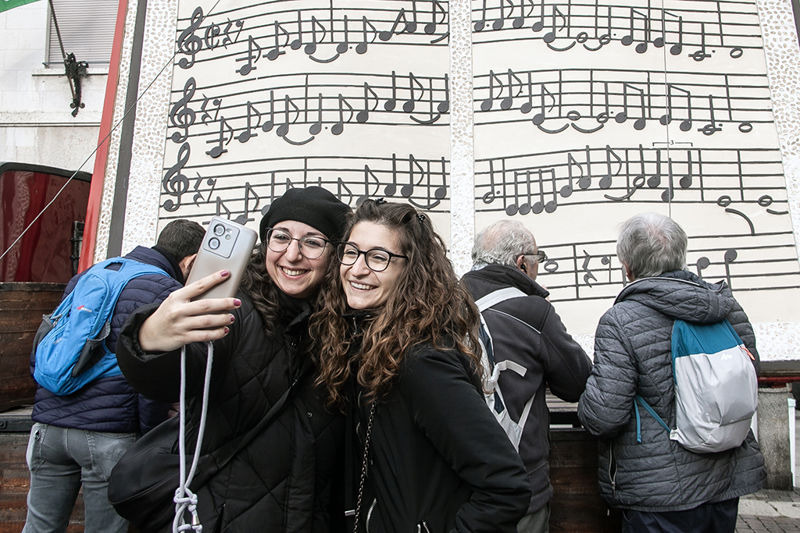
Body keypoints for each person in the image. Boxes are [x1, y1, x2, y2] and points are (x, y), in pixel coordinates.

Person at [114, 186, 350, 532]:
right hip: (222, 515)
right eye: (281, 237)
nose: (292, 254)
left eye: (312, 242)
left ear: (335, 253)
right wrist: (149, 338)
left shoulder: (347, 325)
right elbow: (176, 374)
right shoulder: (234, 308)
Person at [312, 200, 532, 533]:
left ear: (410, 271)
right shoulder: (366, 344)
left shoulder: (422, 361)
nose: (357, 269)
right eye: (352, 252)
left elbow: (506, 486)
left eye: (378, 257)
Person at [577, 213, 765, 533]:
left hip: (658, 493)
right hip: (725, 481)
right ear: (681, 254)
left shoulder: (620, 320)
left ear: (627, 267)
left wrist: (585, 401)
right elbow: (748, 372)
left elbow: (604, 416)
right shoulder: (726, 307)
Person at [23, 218, 205, 533]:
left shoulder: (91, 274)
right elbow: (151, 379)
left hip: (47, 429)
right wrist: (150, 438)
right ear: (190, 261)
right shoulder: (166, 291)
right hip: (108, 435)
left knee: (39, 527)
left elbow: (51, 340)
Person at [462, 219, 592, 533]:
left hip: (459, 483)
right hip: (520, 484)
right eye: (538, 260)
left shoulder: (444, 303)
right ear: (522, 263)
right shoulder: (533, 312)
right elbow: (577, 382)